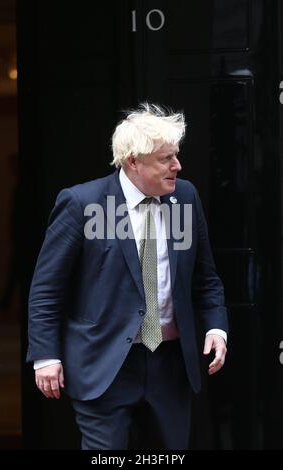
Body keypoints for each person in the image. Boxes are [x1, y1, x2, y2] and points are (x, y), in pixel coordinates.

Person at [27, 103, 228, 450]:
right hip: (104, 363)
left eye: (176, 156)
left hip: (170, 363)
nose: (177, 166)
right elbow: (47, 288)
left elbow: (205, 277)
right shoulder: (82, 204)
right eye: (166, 159)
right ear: (133, 161)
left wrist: (215, 327)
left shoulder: (185, 197)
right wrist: (46, 355)